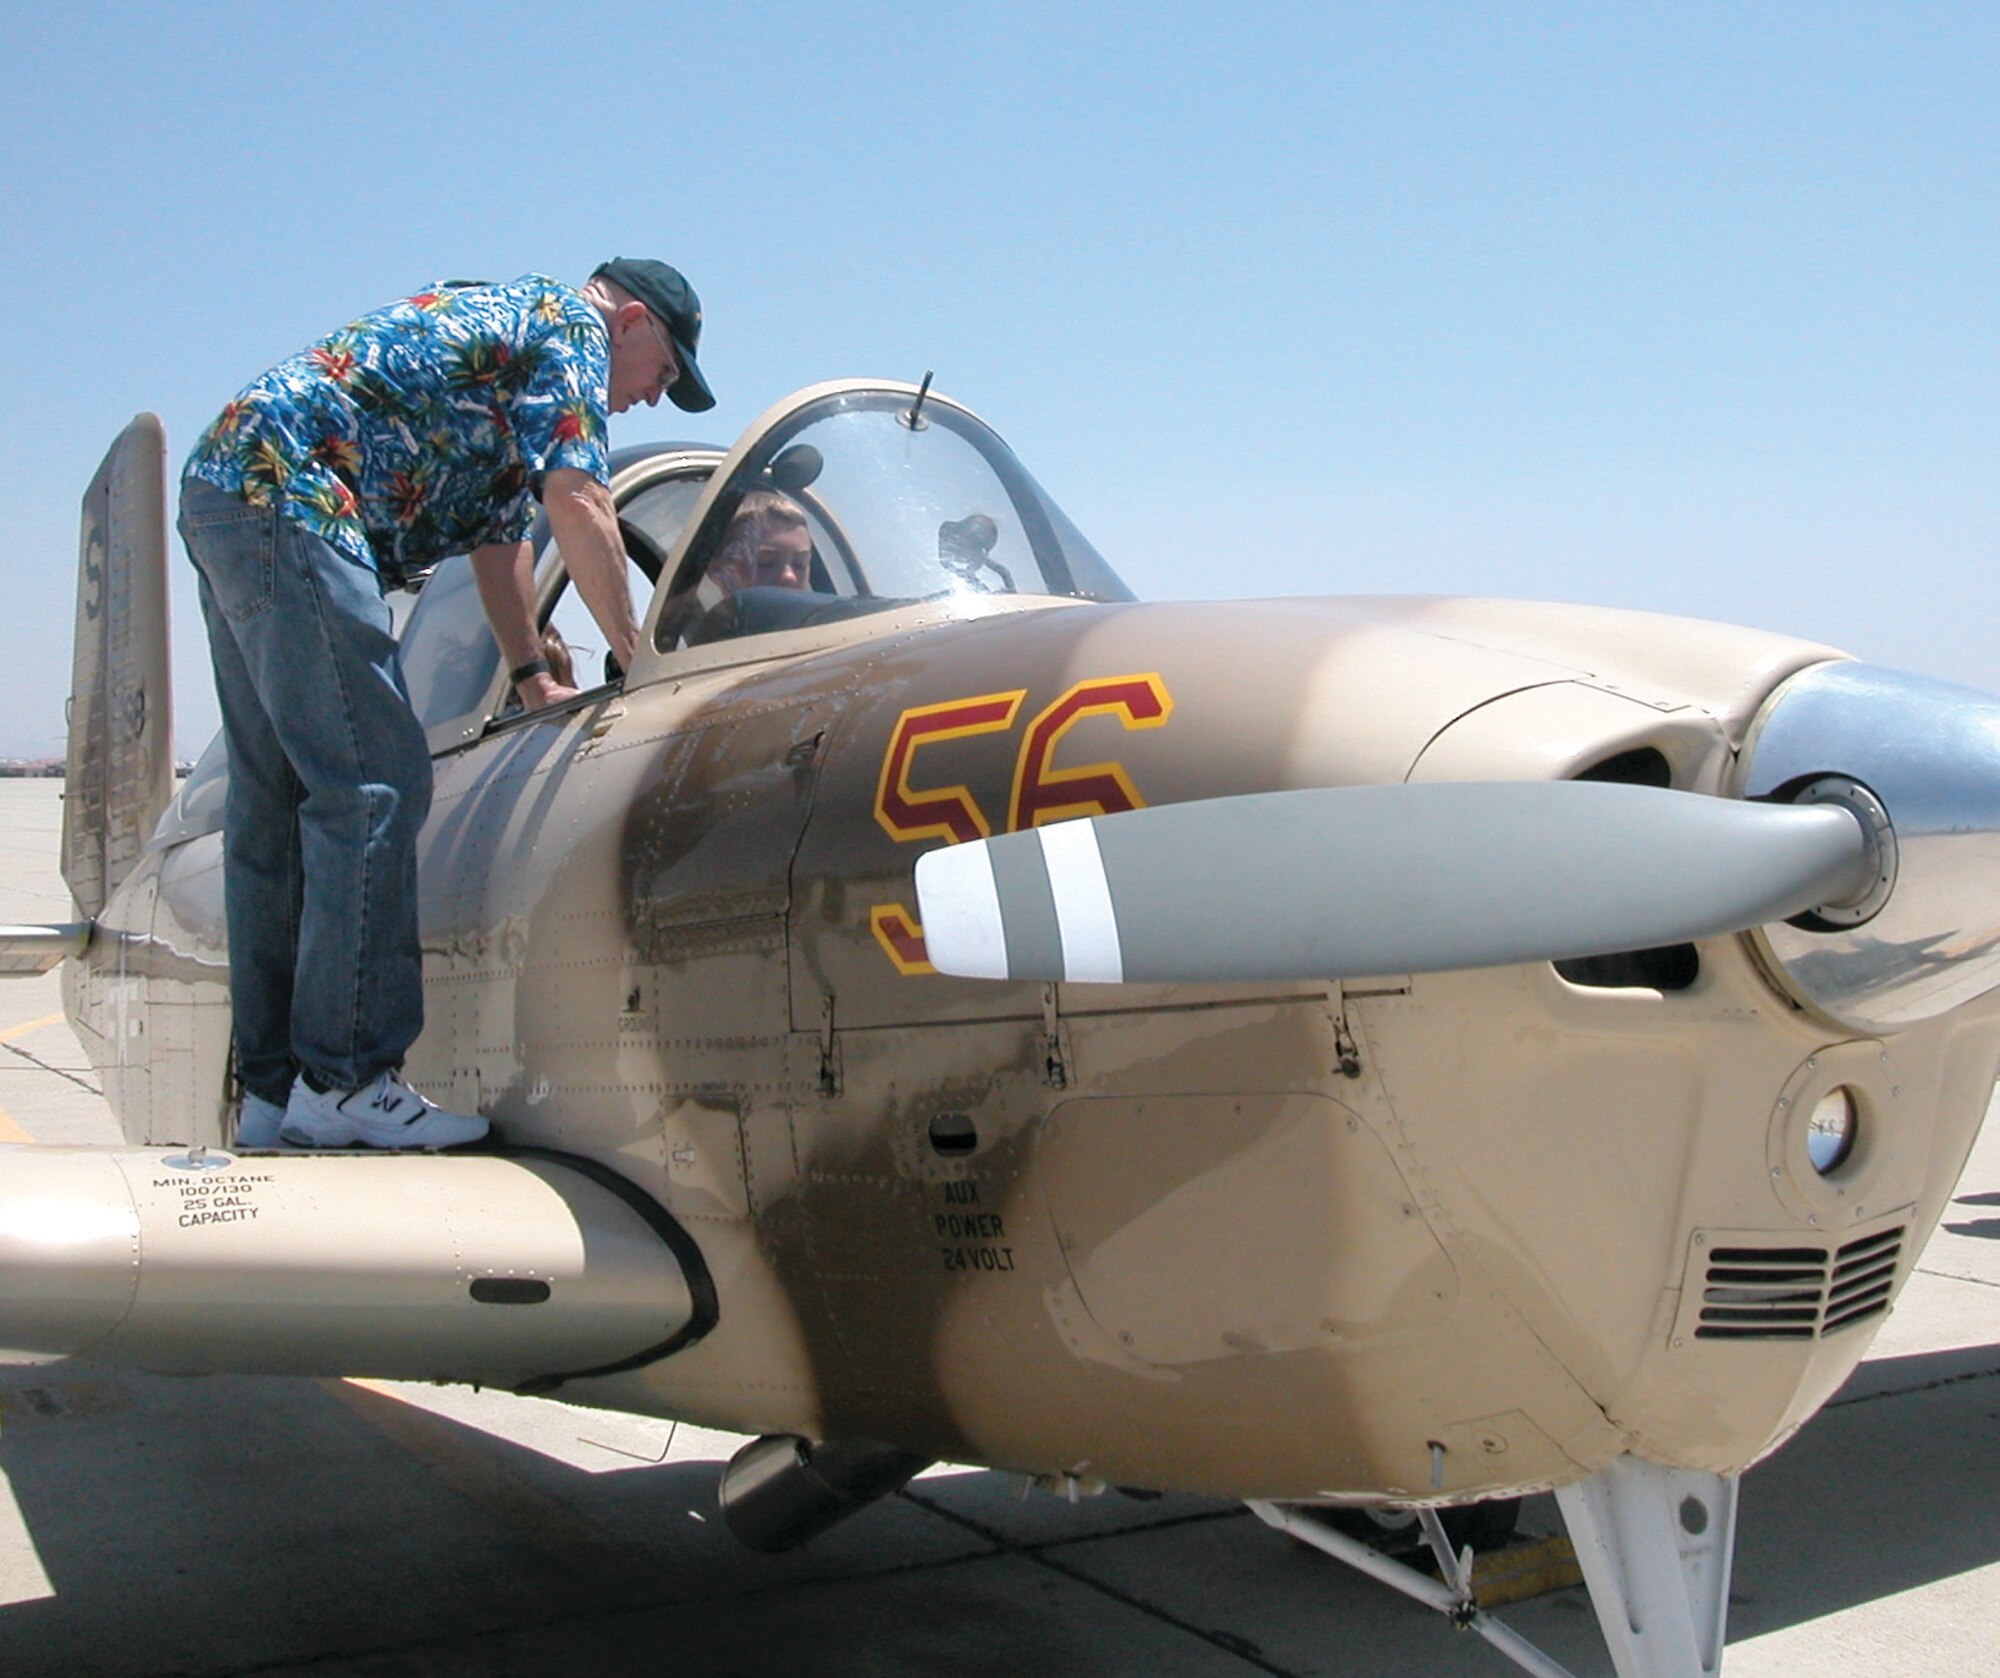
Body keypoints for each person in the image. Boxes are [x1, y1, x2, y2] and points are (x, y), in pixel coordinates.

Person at [181, 259, 714, 1150]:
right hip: (299, 494)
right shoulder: (568, 332)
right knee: (376, 785)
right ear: (630, 323)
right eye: (663, 375)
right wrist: (640, 655)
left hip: (234, 483)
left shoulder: (509, 360)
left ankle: (274, 1096)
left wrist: (533, 673)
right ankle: (347, 1079)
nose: (652, 401)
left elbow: (503, 542)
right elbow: (578, 501)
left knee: (275, 806)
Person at [709, 489, 813, 595]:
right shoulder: (694, 610)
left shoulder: (821, 610)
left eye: (800, 565)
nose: (789, 576)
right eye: (766, 563)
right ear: (719, 572)